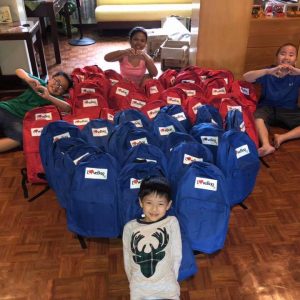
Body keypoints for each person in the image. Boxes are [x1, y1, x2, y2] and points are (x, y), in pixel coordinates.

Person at [122, 176, 182, 300]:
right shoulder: (129, 227)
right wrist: (133, 283)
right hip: (140, 290)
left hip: (167, 288)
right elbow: (128, 259)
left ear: (168, 205)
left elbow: (177, 255)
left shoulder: (172, 222)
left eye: (160, 204)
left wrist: (171, 279)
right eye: (149, 203)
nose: (154, 209)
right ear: (140, 202)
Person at [243, 43, 300, 157]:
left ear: (295, 59)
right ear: (277, 57)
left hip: (288, 110)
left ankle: (282, 137)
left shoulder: (297, 74)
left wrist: (298, 72)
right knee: (256, 118)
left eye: (291, 55)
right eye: (282, 54)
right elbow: (246, 77)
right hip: (267, 108)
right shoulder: (269, 71)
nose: (286, 57)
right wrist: (267, 71)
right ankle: (266, 145)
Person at [0, 68, 73, 153]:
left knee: (21, 137)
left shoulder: (56, 99)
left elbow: (68, 108)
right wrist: (28, 78)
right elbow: (18, 70)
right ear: (50, 79)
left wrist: (48, 97)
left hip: (19, 121)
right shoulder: (38, 83)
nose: (57, 86)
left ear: (63, 92)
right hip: (6, 108)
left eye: (61, 87)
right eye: (57, 81)